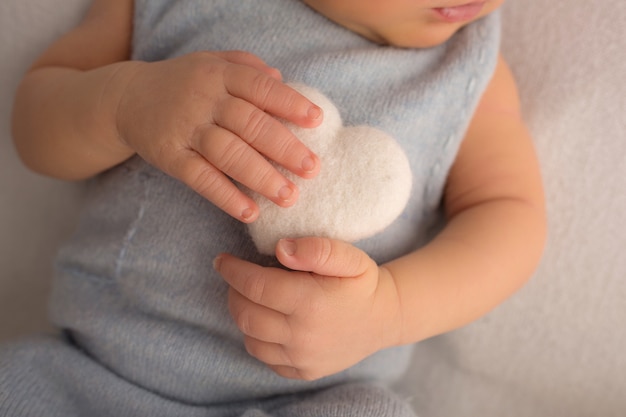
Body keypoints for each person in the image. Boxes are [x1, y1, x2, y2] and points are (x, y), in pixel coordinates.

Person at [1, 0, 546, 416]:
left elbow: (507, 215)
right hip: (93, 376)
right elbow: (34, 124)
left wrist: (389, 311)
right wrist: (124, 101)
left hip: (311, 399)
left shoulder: (467, 68)